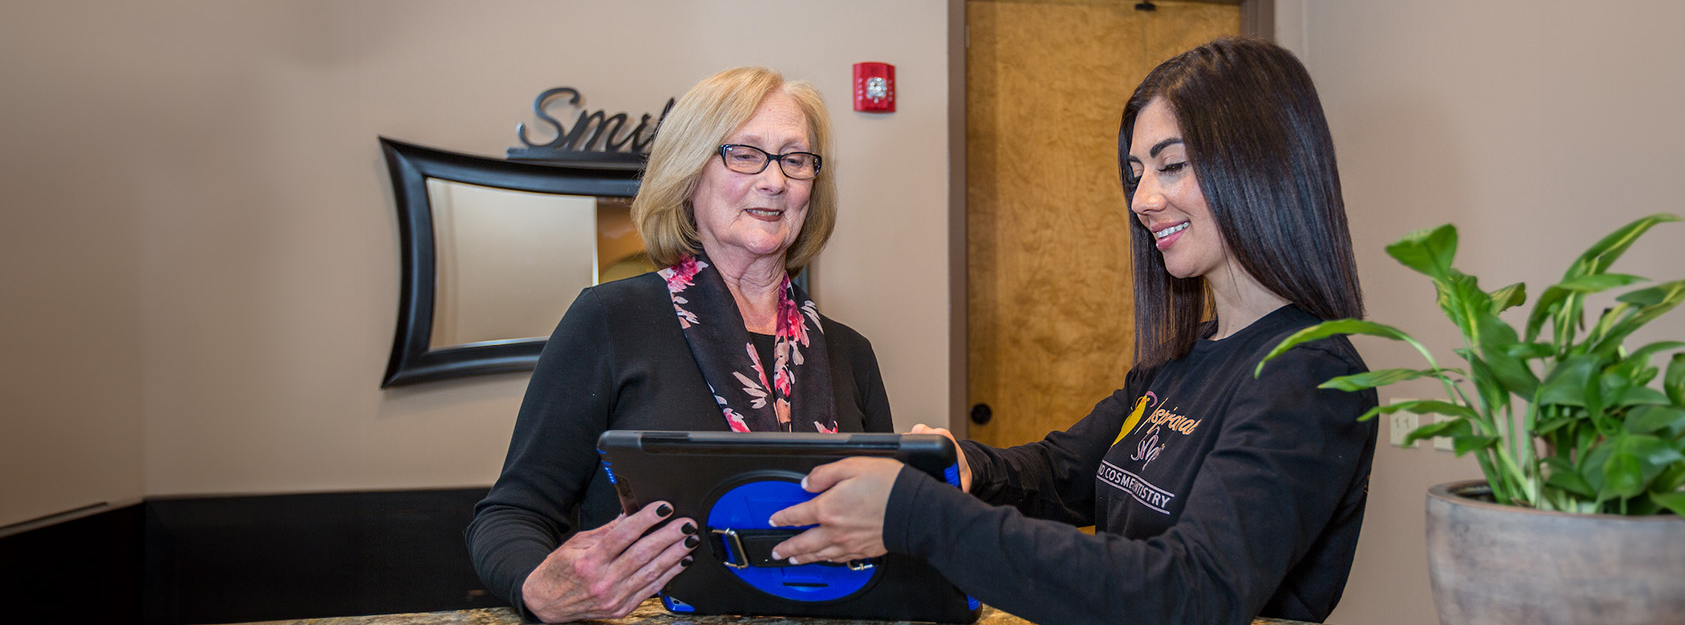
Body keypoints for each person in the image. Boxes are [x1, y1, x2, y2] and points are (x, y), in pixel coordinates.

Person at [770, 37, 1378, 625]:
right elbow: (1064, 474)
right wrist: (963, 466)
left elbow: (1192, 591)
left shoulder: (1312, 374)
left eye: (1171, 165)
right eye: (1137, 172)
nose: (1142, 200)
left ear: (1259, 165)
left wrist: (918, 515)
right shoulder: (1185, 359)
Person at [466, 67, 895, 623]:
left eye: (794, 159)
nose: (774, 180)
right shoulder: (610, 320)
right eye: (744, 153)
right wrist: (537, 588)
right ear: (689, 174)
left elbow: (890, 523)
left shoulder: (849, 351)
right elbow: (509, 514)